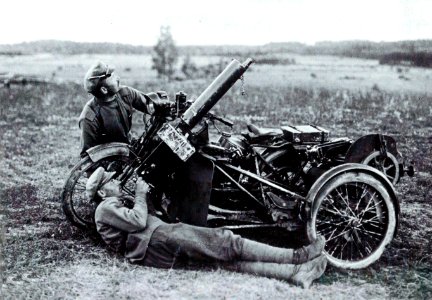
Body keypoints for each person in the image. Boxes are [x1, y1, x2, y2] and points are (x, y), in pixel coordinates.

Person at [87, 167, 327, 289]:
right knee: (226, 242)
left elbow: (141, 218)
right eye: (110, 180)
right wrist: (140, 194)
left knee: (223, 262)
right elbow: (139, 221)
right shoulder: (105, 207)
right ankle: (298, 256)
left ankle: (295, 274)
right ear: (101, 191)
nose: (116, 180)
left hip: (154, 249)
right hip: (158, 239)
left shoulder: (112, 206)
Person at [79, 61, 213, 226]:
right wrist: (102, 189)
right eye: (112, 77)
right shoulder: (90, 116)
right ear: (104, 89)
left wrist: (168, 108)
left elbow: (148, 103)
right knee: (154, 164)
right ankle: (155, 202)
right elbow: (88, 157)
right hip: (109, 161)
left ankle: (173, 196)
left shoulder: (125, 94)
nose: (118, 78)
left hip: (130, 148)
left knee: (172, 149)